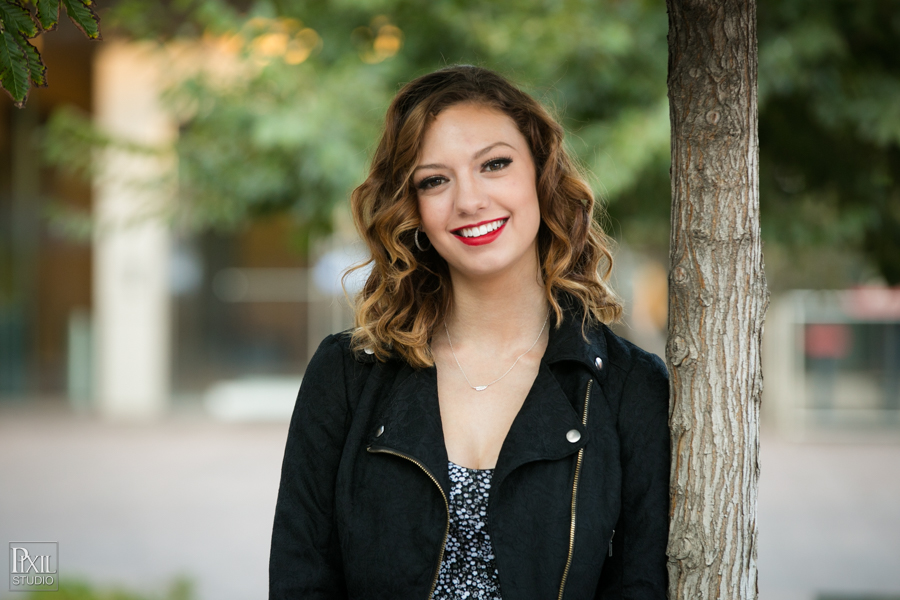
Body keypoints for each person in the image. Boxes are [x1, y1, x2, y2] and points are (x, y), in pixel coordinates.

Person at [269, 65, 670, 600]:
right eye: (435, 180)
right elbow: (301, 579)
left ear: (541, 175)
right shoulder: (345, 374)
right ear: (413, 209)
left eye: (494, 164)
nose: (469, 200)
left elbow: (641, 583)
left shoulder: (628, 386)